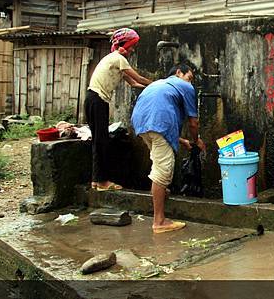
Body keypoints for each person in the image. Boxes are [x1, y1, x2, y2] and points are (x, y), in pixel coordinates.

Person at [131, 63, 206, 233]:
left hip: (141, 124)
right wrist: (197, 140)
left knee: (158, 163)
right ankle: (159, 221)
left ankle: (161, 194)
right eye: (190, 77)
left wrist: (182, 141)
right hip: (158, 123)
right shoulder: (185, 86)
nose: (191, 82)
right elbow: (193, 123)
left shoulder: (158, 84)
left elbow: (155, 123)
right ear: (179, 73)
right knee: (163, 171)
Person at [85, 27, 152, 191]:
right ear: (125, 45)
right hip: (98, 100)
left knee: (98, 140)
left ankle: (96, 180)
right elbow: (139, 78)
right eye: (132, 46)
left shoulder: (114, 60)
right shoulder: (118, 58)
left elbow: (134, 83)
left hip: (92, 99)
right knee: (102, 141)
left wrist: (149, 89)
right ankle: (102, 182)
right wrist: (158, 84)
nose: (132, 49)